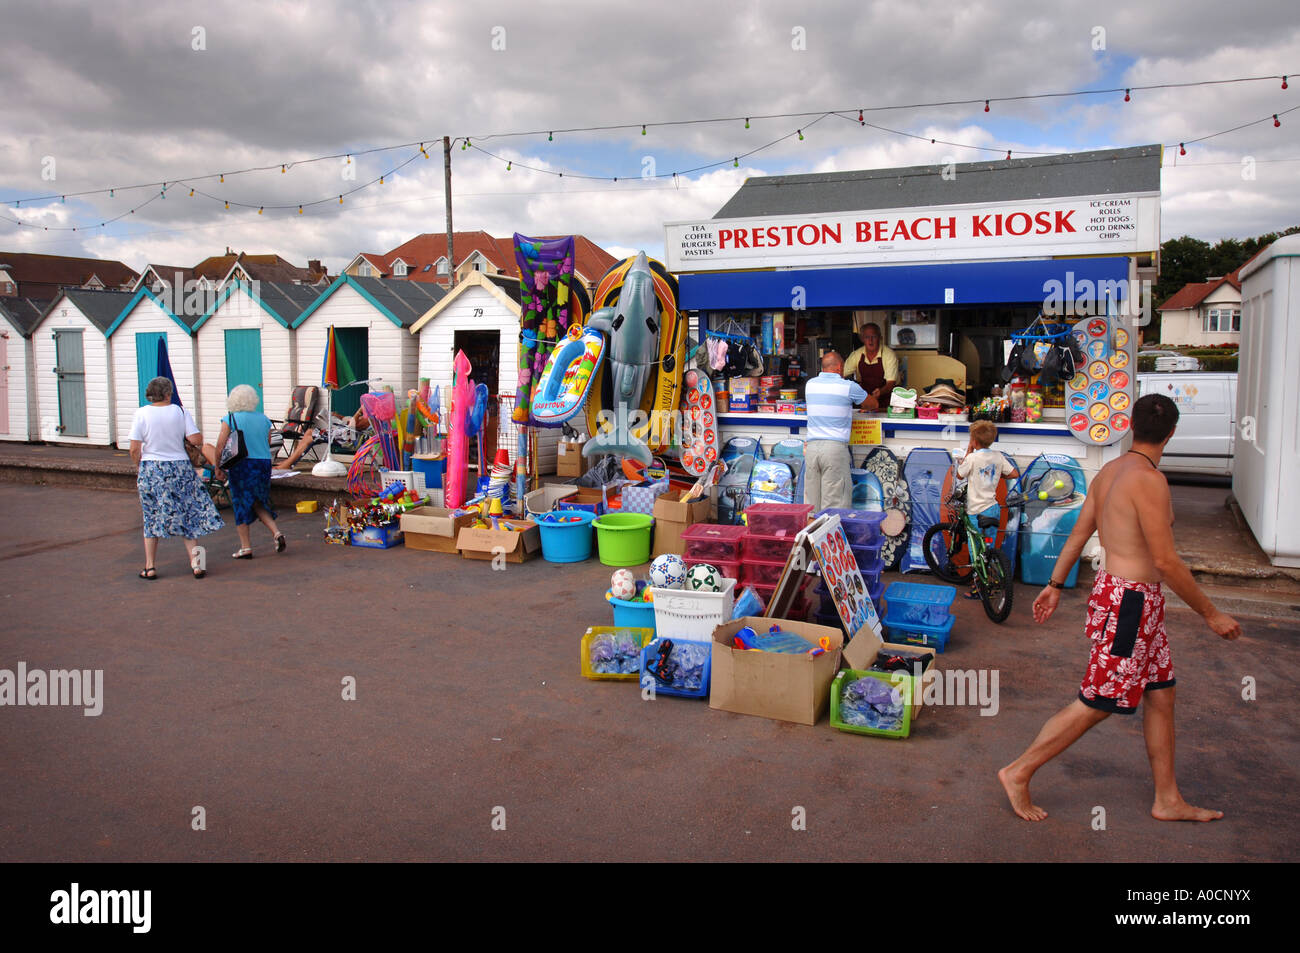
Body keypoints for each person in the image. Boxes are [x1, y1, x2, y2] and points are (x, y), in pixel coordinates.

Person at [998, 394, 1242, 823]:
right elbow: (1166, 562)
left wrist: (1055, 584)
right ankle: (1019, 771)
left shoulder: (1110, 471)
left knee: (1161, 694)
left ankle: (1167, 798)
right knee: (1098, 700)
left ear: (1130, 425)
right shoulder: (1149, 481)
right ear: (1171, 433)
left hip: (1127, 597)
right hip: (1131, 601)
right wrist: (1211, 613)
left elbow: (1078, 534)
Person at [128, 377, 224, 579]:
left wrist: (140, 467)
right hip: (180, 467)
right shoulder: (180, 411)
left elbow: (135, 448)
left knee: (151, 515)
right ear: (168, 393)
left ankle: (150, 566)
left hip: (152, 467)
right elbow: (196, 439)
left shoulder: (141, 413)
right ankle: (197, 565)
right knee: (189, 513)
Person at [214, 385, 286, 558]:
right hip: (263, 463)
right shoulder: (264, 419)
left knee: (241, 503)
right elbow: (268, 442)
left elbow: (220, 445)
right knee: (258, 501)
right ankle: (276, 533)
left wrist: (218, 466)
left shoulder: (230, 419)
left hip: (241, 464)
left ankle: (246, 547)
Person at [956, 421, 1019, 598]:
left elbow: (960, 474)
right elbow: (1014, 474)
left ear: (974, 441)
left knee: (975, 551)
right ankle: (994, 579)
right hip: (992, 509)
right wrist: (998, 475)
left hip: (975, 511)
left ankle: (979, 588)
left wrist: (969, 451)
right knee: (988, 546)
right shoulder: (998, 456)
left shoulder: (973, 458)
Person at [803, 351, 868, 511]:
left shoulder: (810, 384)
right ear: (840, 367)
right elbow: (871, 404)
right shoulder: (848, 387)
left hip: (811, 450)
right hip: (834, 450)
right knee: (834, 506)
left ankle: (810, 535)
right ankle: (829, 536)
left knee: (811, 506)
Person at [843, 322, 899, 411]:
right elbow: (841, 374)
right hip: (864, 401)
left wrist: (880, 392)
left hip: (884, 403)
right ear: (862, 339)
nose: (870, 340)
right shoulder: (856, 355)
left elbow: (890, 384)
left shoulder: (889, 355)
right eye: (867, 337)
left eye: (874, 336)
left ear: (880, 338)